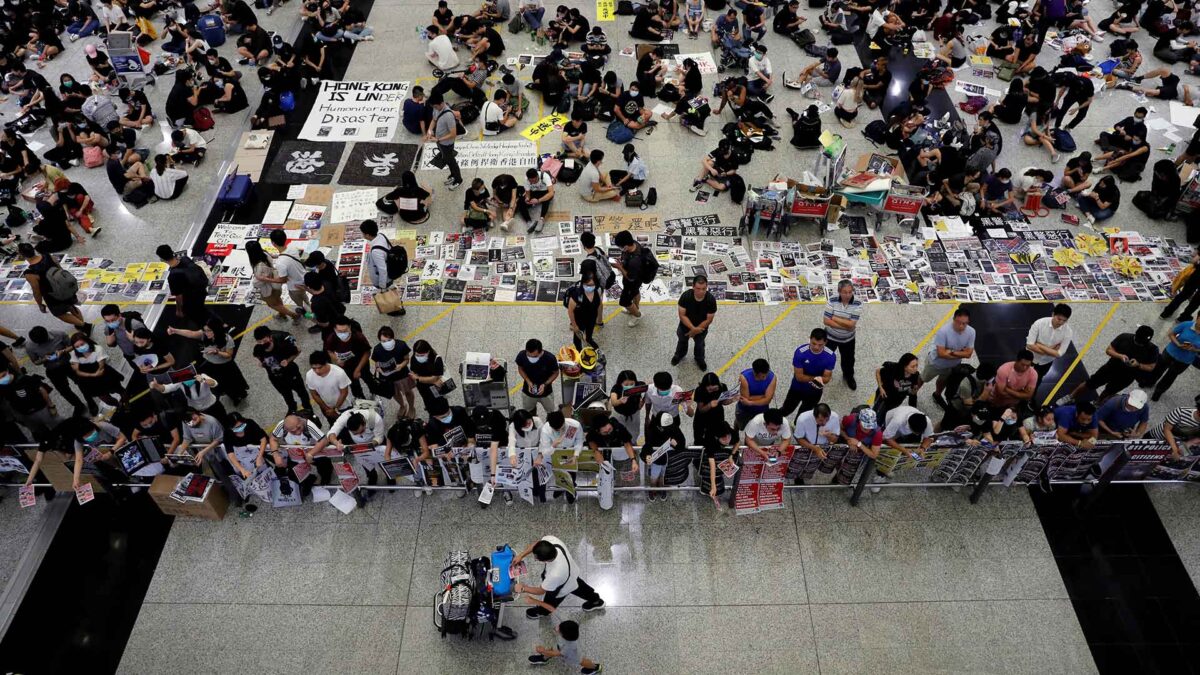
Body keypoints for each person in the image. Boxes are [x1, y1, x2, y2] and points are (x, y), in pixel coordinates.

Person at [513, 536, 605, 619]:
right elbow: (537, 544)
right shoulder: (552, 540)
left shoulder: (555, 575)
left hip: (561, 585)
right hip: (571, 572)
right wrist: (521, 555)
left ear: (546, 560)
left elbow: (541, 590)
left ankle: (543, 612)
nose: (535, 559)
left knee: (551, 599)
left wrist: (523, 588)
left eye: (537, 559)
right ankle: (596, 600)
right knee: (580, 586)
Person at [167, 318, 249, 405]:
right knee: (222, 383)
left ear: (216, 329)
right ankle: (233, 397)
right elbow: (190, 333)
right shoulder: (204, 335)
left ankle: (240, 394)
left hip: (225, 366)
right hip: (211, 365)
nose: (206, 333)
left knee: (233, 381)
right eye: (205, 330)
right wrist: (175, 331)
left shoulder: (227, 339)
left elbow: (229, 354)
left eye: (209, 330)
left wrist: (217, 352)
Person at [1067, 326, 1158, 403]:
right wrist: (1119, 356)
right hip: (1110, 368)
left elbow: (1151, 367)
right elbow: (1109, 350)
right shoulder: (1124, 337)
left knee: (1109, 392)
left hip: (1126, 377)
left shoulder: (1153, 349)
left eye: (1143, 343)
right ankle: (1071, 396)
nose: (1140, 344)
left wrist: (1138, 365)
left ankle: (1097, 403)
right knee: (1090, 383)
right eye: (1139, 341)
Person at [19, 243, 91, 335]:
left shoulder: (30, 273)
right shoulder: (48, 256)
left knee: (60, 314)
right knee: (71, 306)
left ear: (22, 255)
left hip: (53, 296)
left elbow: (36, 291)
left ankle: (84, 325)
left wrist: (40, 304)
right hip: (66, 286)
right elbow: (60, 268)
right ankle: (80, 324)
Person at [25, 326, 89, 416]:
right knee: (64, 391)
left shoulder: (59, 334)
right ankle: (78, 405)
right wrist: (44, 359)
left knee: (82, 382)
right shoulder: (30, 346)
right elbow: (35, 361)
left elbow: (72, 346)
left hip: (68, 364)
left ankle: (90, 401)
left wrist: (63, 351)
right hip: (52, 370)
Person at [779, 329, 835, 419]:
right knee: (787, 409)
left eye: (820, 345)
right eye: (813, 343)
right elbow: (799, 377)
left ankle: (797, 425)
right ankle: (776, 420)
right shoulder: (800, 352)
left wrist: (810, 378)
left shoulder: (830, 356)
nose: (816, 347)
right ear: (810, 339)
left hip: (815, 392)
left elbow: (827, 378)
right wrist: (817, 379)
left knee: (804, 414)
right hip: (797, 388)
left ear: (826, 342)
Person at [926, 308, 976, 407]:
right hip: (935, 362)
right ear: (954, 319)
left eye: (964, 323)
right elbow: (941, 354)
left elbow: (969, 354)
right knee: (924, 378)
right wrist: (960, 353)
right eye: (959, 322)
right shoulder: (943, 331)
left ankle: (937, 395)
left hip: (952, 365)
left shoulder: (971, 332)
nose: (961, 326)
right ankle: (913, 394)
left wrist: (951, 351)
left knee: (943, 381)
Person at [0, 361, 60, 439]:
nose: (1, 379)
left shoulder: (24, 379)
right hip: (26, 415)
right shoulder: (2, 387)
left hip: (41, 409)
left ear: (7, 371)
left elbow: (42, 390)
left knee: (56, 425)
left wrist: (51, 406)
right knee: (41, 433)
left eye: (3, 375)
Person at [247, 240, 300, 323]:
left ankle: (293, 315)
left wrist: (256, 279)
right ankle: (282, 314)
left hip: (268, 288)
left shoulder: (259, 265)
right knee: (277, 300)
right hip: (275, 284)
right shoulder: (265, 253)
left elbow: (258, 282)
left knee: (272, 304)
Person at [822, 280, 861, 390]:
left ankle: (849, 376)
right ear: (839, 291)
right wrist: (846, 325)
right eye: (845, 292)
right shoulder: (832, 300)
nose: (848, 295)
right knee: (825, 357)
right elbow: (826, 321)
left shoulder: (858, 303)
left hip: (848, 339)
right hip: (830, 337)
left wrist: (834, 318)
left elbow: (852, 324)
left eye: (850, 292)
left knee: (848, 360)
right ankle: (822, 374)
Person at [156, 245, 209, 323]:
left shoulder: (173, 276)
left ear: (162, 259)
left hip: (192, 300)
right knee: (205, 311)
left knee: (200, 319)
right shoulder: (185, 259)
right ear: (172, 252)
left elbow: (179, 297)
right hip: (202, 291)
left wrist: (179, 310)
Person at [673, 274, 717, 370]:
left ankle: (699, 359)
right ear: (693, 286)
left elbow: (709, 319)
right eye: (698, 288)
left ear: (706, 287)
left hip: (701, 329)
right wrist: (693, 329)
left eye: (703, 288)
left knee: (700, 345)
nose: (701, 291)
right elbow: (682, 315)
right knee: (682, 342)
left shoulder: (711, 300)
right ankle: (679, 355)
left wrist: (696, 330)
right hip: (684, 327)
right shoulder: (685, 296)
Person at [790, 403, 842, 484]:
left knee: (814, 465)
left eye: (827, 420)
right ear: (814, 416)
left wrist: (828, 435)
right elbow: (799, 438)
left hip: (824, 447)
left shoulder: (834, 417)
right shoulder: (803, 419)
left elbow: (835, 439)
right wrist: (815, 448)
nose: (824, 423)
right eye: (821, 420)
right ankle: (799, 478)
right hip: (807, 445)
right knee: (802, 465)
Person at [1150, 319, 1200, 402]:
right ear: (1197, 317)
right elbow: (1171, 334)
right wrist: (1178, 344)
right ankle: (1150, 382)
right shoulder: (1187, 324)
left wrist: (1195, 349)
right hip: (1170, 352)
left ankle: (1158, 391)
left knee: (1170, 376)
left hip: (1185, 360)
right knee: (1159, 368)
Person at [527, 619, 602, 673]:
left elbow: (556, 654)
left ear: (563, 635)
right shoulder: (568, 632)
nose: (557, 628)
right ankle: (544, 657)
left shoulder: (569, 646)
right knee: (554, 648)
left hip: (573, 655)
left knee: (582, 661)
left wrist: (543, 650)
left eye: (559, 629)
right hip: (560, 645)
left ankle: (594, 667)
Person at [1025, 304, 1074, 381]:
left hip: (1046, 362)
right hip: (1030, 356)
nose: (1061, 322)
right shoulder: (1039, 323)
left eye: (1064, 320)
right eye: (1059, 319)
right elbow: (1030, 345)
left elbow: (1059, 354)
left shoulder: (1068, 332)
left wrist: (1039, 345)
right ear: (1053, 314)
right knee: (1022, 375)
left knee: (1038, 379)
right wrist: (1052, 350)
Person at [425, 94, 463, 190]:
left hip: (447, 144)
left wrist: (438, 139)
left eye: (435, 106)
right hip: (440, 142)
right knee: (448, 160)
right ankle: (453, 176)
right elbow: (434, 120)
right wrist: (429, 131)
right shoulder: (436, 108)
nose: (434, 108)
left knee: (451, 162)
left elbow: (453, 134)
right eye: (433, 107)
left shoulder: (449, 116)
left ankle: (458, 179)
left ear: (441, 103)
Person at [306, 350, 354, 425]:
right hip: (327, 408)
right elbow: (314, 394)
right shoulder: (309, 375)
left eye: (319, 368)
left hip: (344, 406)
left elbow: (344, 393)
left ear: (326, 363)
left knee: (350, 424)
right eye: (314, 368)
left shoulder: (339, 373)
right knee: (333, 425)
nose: (317, 371)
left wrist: (335, 409)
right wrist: (326, 408)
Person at [516, 338, 559, 415]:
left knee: (551, 413)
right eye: (529, 355)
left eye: (535, 356)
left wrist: (545, 384)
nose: (532, 358)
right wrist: (528, 381)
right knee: (528, 412)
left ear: (540, 352)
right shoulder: (522, 355)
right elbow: (520, 368)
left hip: (546, 392)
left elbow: (555, 373)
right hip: (528, 391)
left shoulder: (550, 358)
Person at [612, 230, 645, 326]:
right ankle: (635, 308)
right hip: (637, 278)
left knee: (624, 301)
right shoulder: (634, 243)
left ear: (626, 246)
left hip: (632, 281)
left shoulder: (634, 261)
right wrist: (622, 260)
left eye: (621, 247)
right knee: (636, 292)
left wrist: (619, 267)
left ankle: (638, 315)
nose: (620, 249)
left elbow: (630, 277)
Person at [874, 353, 922, 418]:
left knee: (886, 415)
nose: (915, 369)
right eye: (912, 366)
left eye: (916, 365)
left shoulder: (915, 375)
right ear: (905, 366)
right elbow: (878, 371)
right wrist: (880, 387)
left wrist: (913, 409)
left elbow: (913, 393)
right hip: (884, 398)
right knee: (876, 413)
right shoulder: (893, 368)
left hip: (897, 401)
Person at [566, 269, 601, 350]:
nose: (590, 287)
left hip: (592, 319)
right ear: (583, 283)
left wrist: (598, 318)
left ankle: (589, 339)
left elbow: (598, 304)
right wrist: (574, 325)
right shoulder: (576, 295)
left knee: (589, 333)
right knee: (577, 338)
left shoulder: (597, 291)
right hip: (579, 320)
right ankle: (579, 349)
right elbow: (570, 311)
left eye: (592, 285)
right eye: (587, 285)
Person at [735, 359, 776, 430]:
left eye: (766, 375)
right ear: (755, 373)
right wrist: (764, 396)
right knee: (740, 425)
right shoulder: (744, 378)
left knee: (759, 428)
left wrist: (750, 402)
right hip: (745, 410)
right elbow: (745, 399)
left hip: (762, 410)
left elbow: (767, 400)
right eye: (763, 376)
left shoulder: (772, 377)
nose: (765, 378)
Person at [304, 271, 344, 338]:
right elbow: (318, 292)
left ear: (310, 286)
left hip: (331, 323)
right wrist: (307, 289)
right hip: (339, 310)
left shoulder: (316, 304)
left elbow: (325, 324)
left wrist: (306, 315)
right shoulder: (327, 284)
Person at [608, 370, 645, 442]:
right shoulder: (616, 388)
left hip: (634, 414)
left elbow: (646, 387)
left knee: (634, 433)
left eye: (632, 384)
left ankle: (632, 444)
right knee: (618, 433)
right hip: (619, 415)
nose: (629, 386)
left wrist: (643, 401)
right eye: (626, 384)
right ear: (620, 383)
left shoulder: (638, 385)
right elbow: (613, 402)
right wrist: (620, 401)